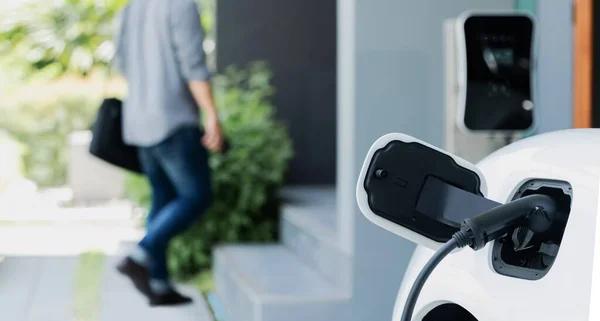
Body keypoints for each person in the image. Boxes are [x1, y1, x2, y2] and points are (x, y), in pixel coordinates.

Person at [112, 0, 223, 307]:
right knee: (197, 195)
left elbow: (121, 63)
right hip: (173, 119)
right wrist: (211, 113)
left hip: (138, 120)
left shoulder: (132, 8)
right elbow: (193, 65)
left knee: (162, 199)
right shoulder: (180, 5)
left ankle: (159, 285)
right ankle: (141, 253)